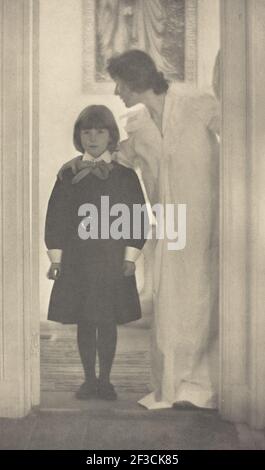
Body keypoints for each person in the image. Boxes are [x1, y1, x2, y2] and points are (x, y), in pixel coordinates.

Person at [58, 50, 220, 410]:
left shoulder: (195, 102)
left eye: (119, 82)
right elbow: (111, 158)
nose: (116, 91)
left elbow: (241, 134)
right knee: (172, 299)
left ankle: (202, 385)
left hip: (210, 216)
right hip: (172, 220)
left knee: (204, 297)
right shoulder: (138, 124)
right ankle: (172, 386)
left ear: (134, 79)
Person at [45, 104, 147, 401]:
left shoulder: (125, 176)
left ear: (111, 135)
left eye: (99, 131)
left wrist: (130, 257)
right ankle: (89, 380)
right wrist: (56, 260)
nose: (92, 138)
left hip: (112, 260)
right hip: (78, 262)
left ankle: (106, 380)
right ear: (79, 136)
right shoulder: (67, 175)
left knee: (107, 320)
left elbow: (137, 217)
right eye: (86, 132)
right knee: (86, 321)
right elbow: (56, 219)